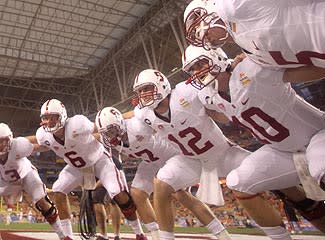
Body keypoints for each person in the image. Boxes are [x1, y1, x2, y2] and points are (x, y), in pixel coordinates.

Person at [181, 44, 325, 233]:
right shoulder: (208, 95)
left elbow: (314, 69)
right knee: (238, 181)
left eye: (200, 63)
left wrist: (261, 58)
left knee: (321, 170)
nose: (197, 71)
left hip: (316, 135)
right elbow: (222, 114)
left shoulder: (250, 67)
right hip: (283, 150)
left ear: (217, 56)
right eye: (192, 69)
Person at [132, 69, 263, 240]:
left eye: (146, 88)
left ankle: (304, 204)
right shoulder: (143, 114)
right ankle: (165, 238)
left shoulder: (186, 92)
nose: (143, 94)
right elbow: (131, 124)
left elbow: (220, 110)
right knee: (162, 182)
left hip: (222, 153)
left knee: (265, 169)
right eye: (140, 91)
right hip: (191, 159)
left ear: (161, 85)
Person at [95, 106, 232, 240]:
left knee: (180, 194)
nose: (110, 135)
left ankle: (221, 233)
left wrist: (130, 114)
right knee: (137, 193)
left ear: (120, 122)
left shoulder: (138, 125)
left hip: (172, 155)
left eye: (111, 130)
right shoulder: (110, 138)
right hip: (151, 161)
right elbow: (91, 136)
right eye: (106, 133)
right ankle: (156, 235)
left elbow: (146, 112)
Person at [28, 99, 147, 240]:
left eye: (53, 117)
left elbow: (101, 127)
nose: (49, 121)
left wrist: (133, 115)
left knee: (118, 192)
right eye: (46, 118)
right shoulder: (43, 134)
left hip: (99, 160)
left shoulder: (77, 124)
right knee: (58, 189)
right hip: (76, 167)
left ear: (62, 116)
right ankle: (67, 236)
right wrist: (11, 144)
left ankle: (139, 233)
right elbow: (41, 144)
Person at [183, 0, 325, 69]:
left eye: (197, 28)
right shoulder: (253, 55)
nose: (201, 36)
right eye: (196, 35)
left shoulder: (232, 5)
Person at [0, 123, 68, 240]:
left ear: (9, 139)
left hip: (26, 174)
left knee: (42, 201)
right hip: (6, 181)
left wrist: (50, 139)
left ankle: (63, 235)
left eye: (2, 141)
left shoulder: (18, 145)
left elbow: (43, 146)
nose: (0, 144)